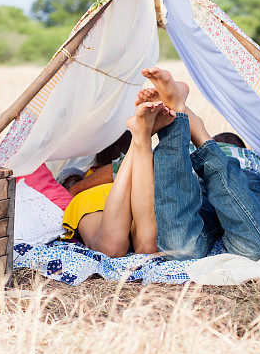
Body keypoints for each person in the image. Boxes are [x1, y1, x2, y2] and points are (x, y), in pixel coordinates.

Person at [139, 66, 260, 261]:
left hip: (206, 182)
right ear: (240, 147)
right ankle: (193, 128)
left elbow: (174, 173)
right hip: (242, 180)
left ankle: (183, 121)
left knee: (179, 249)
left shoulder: (193, 151)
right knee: (254, 249)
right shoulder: (254, 157)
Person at [60, 101, 175, 258]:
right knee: (141, 247)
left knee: (117, 248)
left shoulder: (80, 178)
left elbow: (72, 189)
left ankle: (141, 137)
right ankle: (141, 137)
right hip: (124, 198)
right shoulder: (79, 174)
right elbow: (74, 188)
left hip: (117, 200)